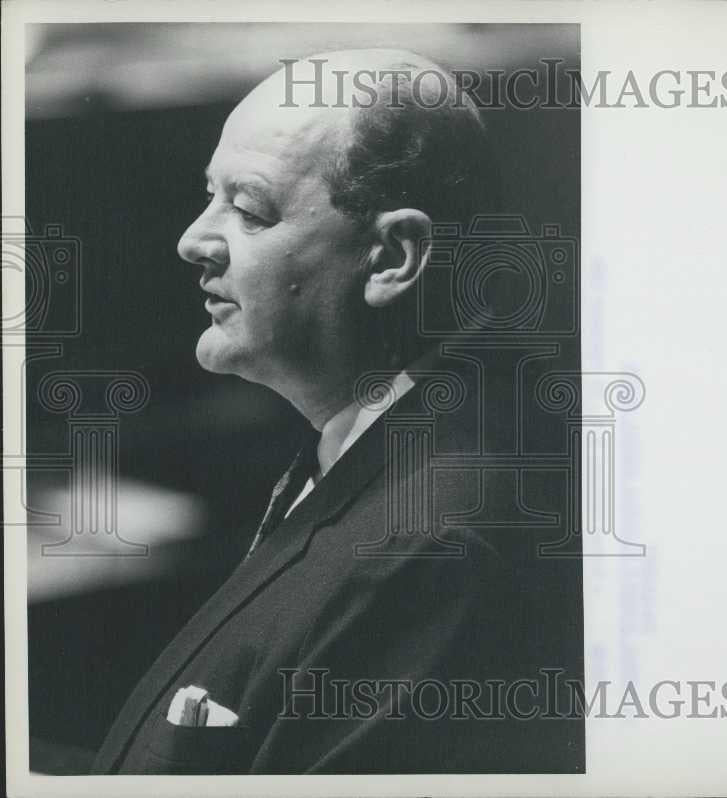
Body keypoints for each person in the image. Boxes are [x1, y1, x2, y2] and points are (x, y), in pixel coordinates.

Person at [90, 49, 584, 774]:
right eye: (209, 196)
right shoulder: (373, 449)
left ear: (391, 257)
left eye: (249, 209)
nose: (193, 241)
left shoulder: (431, 551)